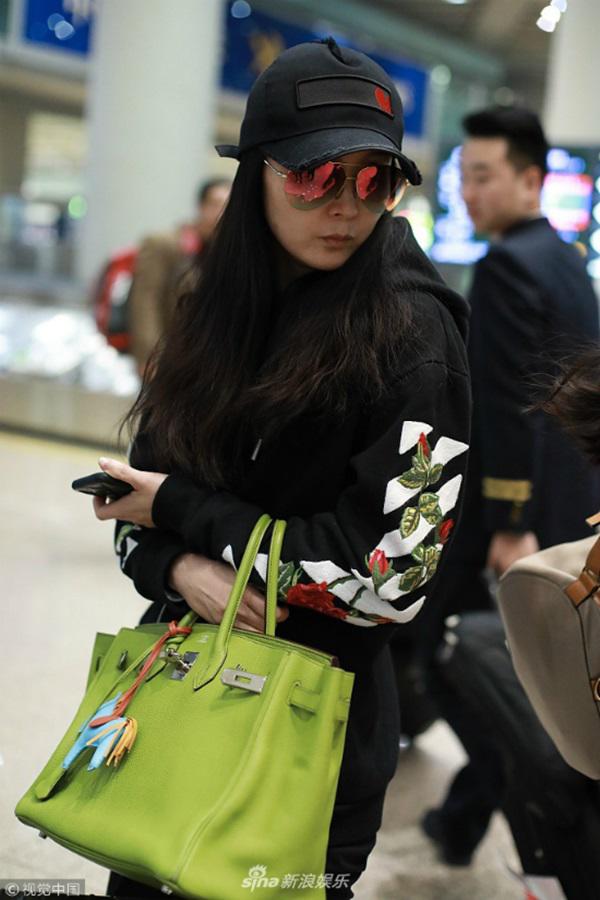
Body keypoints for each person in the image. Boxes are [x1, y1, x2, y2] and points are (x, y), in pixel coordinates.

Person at [92, 37, 470, 899]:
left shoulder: (415, 338)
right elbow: (128, 505)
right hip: (171, 707)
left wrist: (190, 513)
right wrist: (179, 568)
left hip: (310, 743)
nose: (345, 205)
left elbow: (390, 581)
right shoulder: (213, 307)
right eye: (314, 176)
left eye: (374, 180)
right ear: (255, 172)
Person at [419, 106, 600, 866]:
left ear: (530, 180)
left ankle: (509, 799)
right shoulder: (564, 258)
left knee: (450, 657)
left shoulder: (505, 268)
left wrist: (509, 519)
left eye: (484, 176)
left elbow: (506, 403)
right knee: (521, 664)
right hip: (569, 497)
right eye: (464, 177)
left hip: (508, 508)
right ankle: (468, 813)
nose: (470, 192)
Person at [128, 177, 231, 374]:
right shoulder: (164, 244)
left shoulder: (225, 252)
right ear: (201, 207)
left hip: (207, 363)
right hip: (167, 357)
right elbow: (146, 301)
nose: (221, 212)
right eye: (216, 204)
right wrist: (149, 356)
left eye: (228, 206)